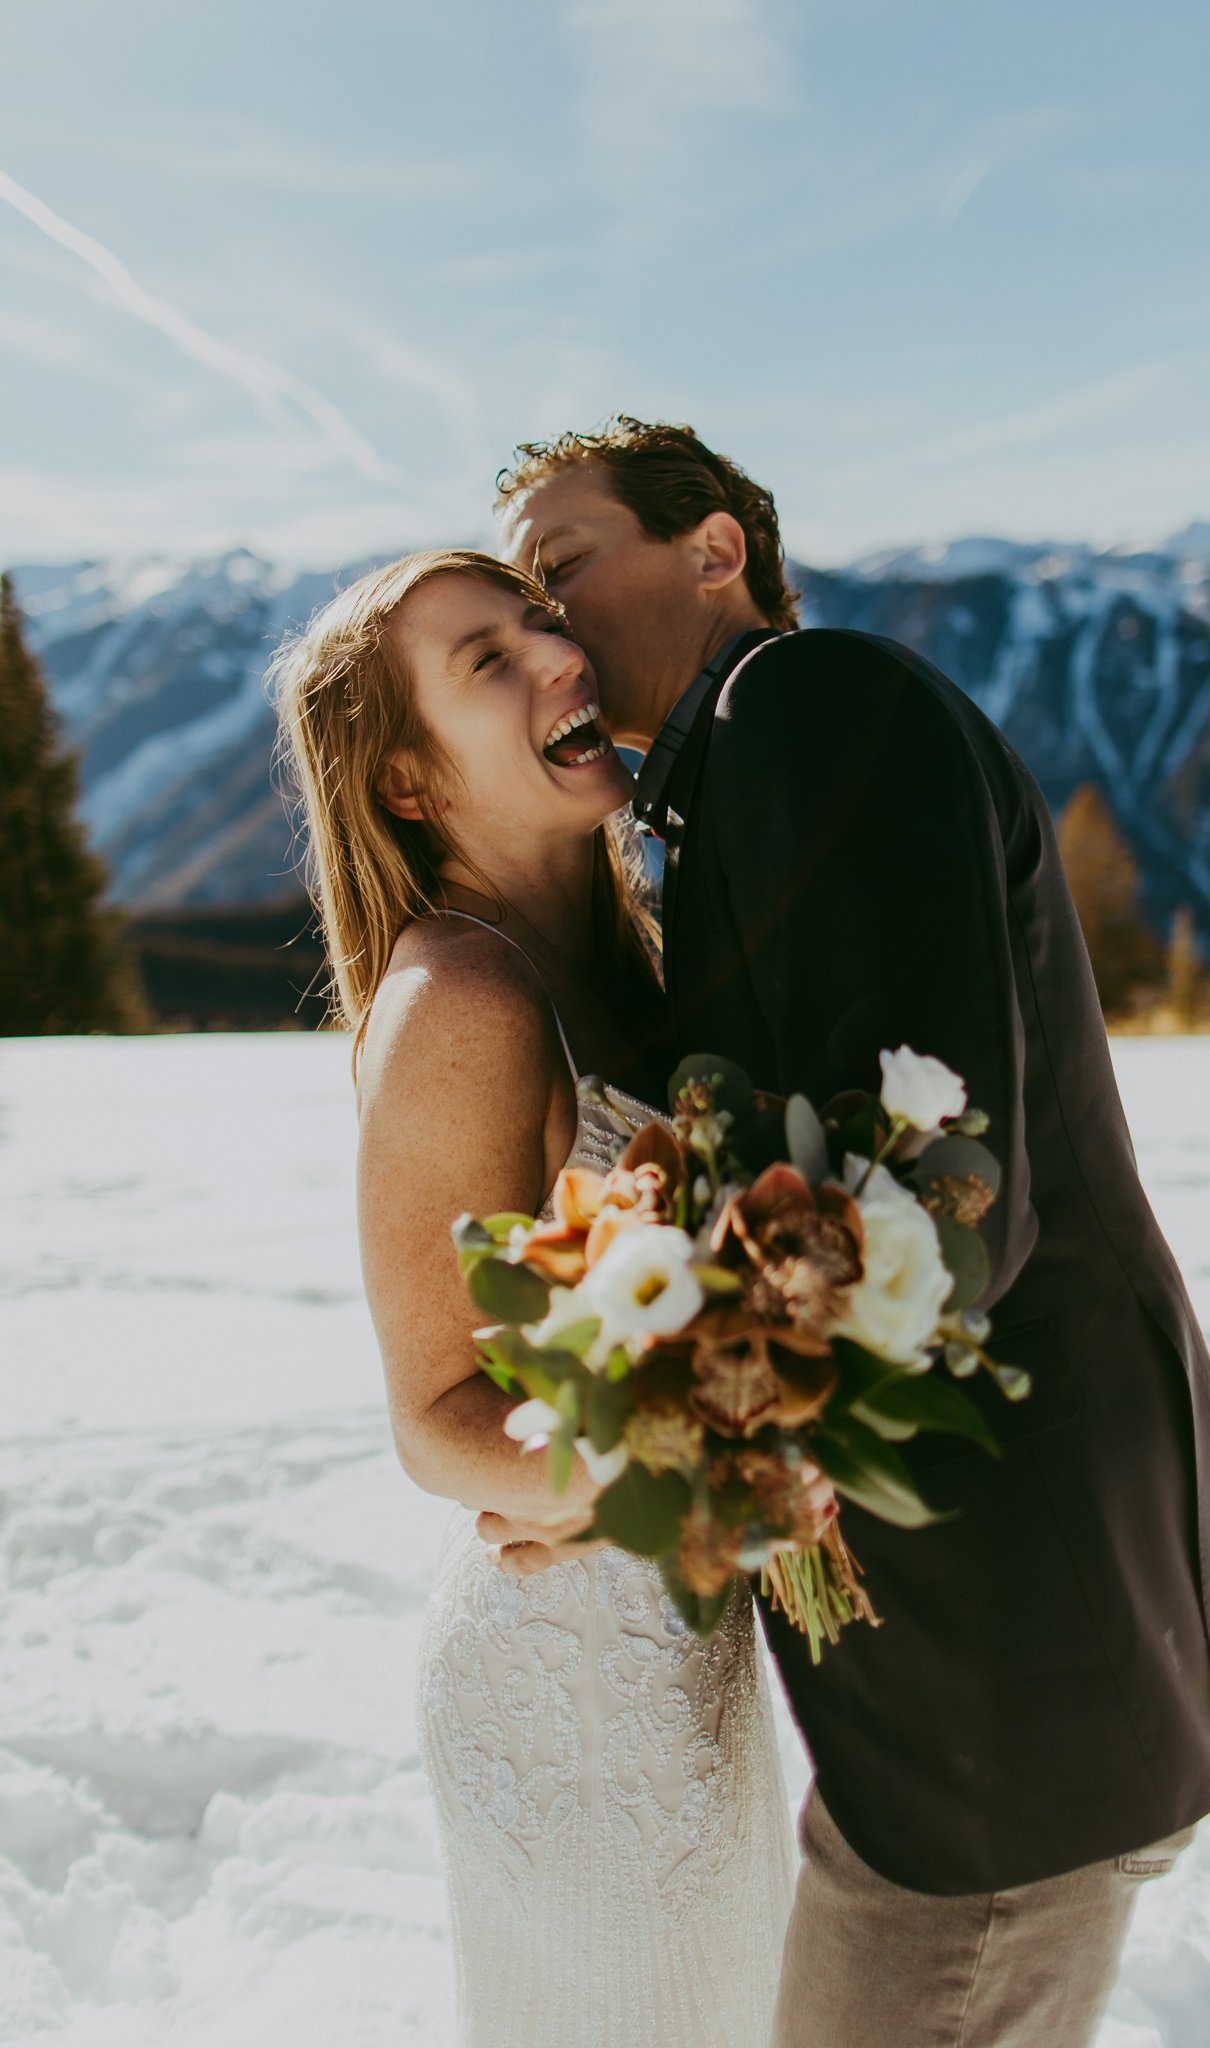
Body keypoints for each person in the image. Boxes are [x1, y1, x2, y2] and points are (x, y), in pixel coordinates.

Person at [489, 417, 1210, 2048]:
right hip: (978, 1659)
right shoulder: (727, 772)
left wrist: (650, 1461)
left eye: (559, 567)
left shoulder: (809, 701)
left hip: (1012, 1655)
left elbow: (928, 1190)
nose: (545, 624)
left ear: (713, 549)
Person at [270, 548, 797, 2048]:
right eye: (483, 662)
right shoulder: (468, 1000)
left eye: (541, 624)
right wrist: (686, 1462)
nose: (557, 660)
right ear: (407, 788)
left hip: (689, 1660)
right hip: (573, 1694)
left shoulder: (636, 959)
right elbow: (439, 1423)